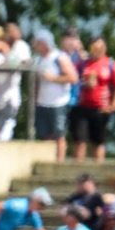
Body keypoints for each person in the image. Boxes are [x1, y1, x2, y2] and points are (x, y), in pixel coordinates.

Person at [70, 36, 115, 161]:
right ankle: (77, 169)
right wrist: (84, 84)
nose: (98, 50)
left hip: (101, 108)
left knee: (98, 141)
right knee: (80, 140)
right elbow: (72, 78)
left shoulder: (110, 64)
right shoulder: (83, 63)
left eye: (101, 47)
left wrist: (114, 105)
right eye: (95, 47)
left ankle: (98, 168)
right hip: (82, 106)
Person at [33, 32, 78, 161]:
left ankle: (60, 161)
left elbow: (73, 78)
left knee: (59, 134)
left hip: (58, 102)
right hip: (42, 102)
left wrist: (53, 78)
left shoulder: (59, 57)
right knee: (44, 134)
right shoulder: (38, 60)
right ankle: (48, 160)